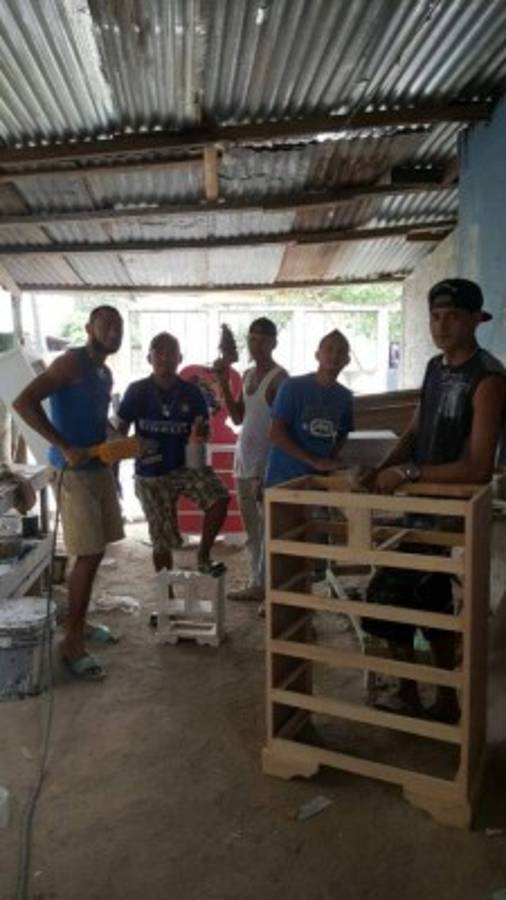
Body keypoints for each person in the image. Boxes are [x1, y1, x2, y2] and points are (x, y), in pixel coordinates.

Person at [364, 278, 506, 722]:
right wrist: (380, 469)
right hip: (421, 505)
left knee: (389, 594)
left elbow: (479, 465)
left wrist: (406, 473)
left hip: (454, 509)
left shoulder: (489, 377)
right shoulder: (434, 367)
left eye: (453, 317)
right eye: (436, 316)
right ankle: (432, 698)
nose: (442, 325)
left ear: (474, 321)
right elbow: (415, 429)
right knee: (428, 602)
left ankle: (428, 696)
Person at [13, 305, 125, 681]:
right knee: (88, 552)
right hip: (72, 474)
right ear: (88, 327)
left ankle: (81, 621)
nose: (113, 331)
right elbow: (23, 402)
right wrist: (63, 445)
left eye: (118, 326)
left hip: (98, 469)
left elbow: (95, 418)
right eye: (106, 324)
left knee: (96, 552)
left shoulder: (104, 373)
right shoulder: (70, 363)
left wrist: (114, 437)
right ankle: (72, 641)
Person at [117, 332, 229, 575]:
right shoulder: (137, 391)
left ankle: (203, 556)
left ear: (180, 358)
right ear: (149, 357)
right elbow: (118, 434)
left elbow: (204, 431)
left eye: (171, 353)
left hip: (186, 466)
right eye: (159, 352)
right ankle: (165, 597)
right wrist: (131, 447)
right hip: (151, 473)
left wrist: (200, 434)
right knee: (161, 539)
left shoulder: (192, 392)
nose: (165, 358)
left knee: (220, 498)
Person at [215, 317, 288, 604]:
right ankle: (258, 584)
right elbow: (237, 418)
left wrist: (271, 471)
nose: (255, 345)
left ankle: (270, 589)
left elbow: (283, 430)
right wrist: (222, 379)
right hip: (243, 462)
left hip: (264, 465)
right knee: (252, 531)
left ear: (273, 343)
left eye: (262, 340)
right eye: (252, 339)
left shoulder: (280, 379)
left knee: (268, 530)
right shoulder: (246, 376)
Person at [265, 329, 354, 488]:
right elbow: (275, 433)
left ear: (347, 360)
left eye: (341, 352)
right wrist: (314, 461)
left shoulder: (345, 396)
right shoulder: (292, 387)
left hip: (318, 481)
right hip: (284, 478)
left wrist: (330, 459)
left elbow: (343, 432)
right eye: (329, 350)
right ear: (317, 355)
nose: (334, 356)